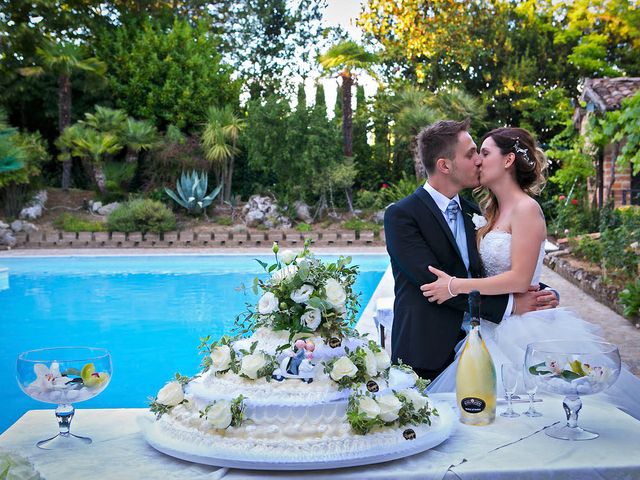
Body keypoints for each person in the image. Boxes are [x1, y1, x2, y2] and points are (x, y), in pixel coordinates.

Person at [421, 127, 640, 420]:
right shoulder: (490, 211)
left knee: (531, 407)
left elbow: (521, 279)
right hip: (491, 325)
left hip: (525, 329)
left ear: (509, 159)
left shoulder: (527, 208)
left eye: (484, 153)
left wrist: (454, 286)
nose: (478, 161)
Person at [384, 120, 558, 382]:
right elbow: (436, 288)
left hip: (477, 343)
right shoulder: (402, 216)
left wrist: (540, 292)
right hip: (426, 351)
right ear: (444, 165)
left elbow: (490, 269)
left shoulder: (475, 212)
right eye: (471, 154)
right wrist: (512, 305)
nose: (478, 160)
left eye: (481, 153)